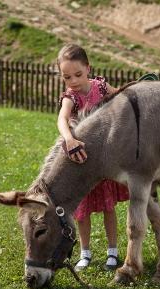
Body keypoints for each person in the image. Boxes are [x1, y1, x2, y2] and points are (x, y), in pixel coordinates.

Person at [56, 43, 129, 272]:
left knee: (109, 208)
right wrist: (69, 139)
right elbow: (62, 119)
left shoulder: (100, 86)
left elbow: (121, 99)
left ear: (88, 68)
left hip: (104, 161)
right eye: (67, 77)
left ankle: (112, 251)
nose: (74, 81)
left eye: (78, 74)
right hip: (82, 162)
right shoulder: (71, 97)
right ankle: (85, 253)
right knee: (82, 211)